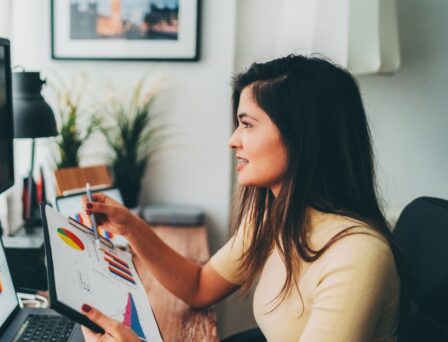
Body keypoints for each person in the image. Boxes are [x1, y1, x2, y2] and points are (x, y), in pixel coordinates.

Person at [78, 55, 401, 341]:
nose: (233, 141)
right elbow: (200, 287)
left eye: (247, 124)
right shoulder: (274, 217)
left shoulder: (355, 254)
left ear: (302, 136)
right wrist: (130, 227)